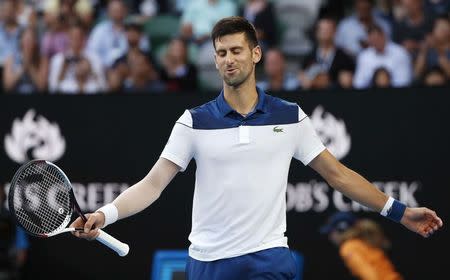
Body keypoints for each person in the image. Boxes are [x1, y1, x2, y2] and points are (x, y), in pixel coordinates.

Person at [71, 17, 443, 280]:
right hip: (207, 264)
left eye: (236, 50)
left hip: (268, 259)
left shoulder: (291, 117)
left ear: (256, 54)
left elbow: (339, 176)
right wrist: (105, 215)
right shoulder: (193, 121)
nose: (228, 59)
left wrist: (400, 212)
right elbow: (152, 185)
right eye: (221, 53)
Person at [320, 212, 403, 280]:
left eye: (331, 232)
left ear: (341, 230)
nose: (330, 237)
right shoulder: (362, 242)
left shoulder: (349, 247)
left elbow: (371, 277)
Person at [299, 17, 355, 90]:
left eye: (328, 30)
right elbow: (304, 81)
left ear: (335, 32)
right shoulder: (309, 57)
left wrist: (316, 82)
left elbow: (346, 83)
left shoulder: (344, 57)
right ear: (316, 33)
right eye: (322, 29)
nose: (324, 32)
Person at [353, 24, 412, 89]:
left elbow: (404, 81)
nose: (375, 42)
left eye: (377, 39)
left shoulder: (400, 53)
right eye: (372, 40)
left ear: (384, 36)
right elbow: (358, 83)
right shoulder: (364, 56)